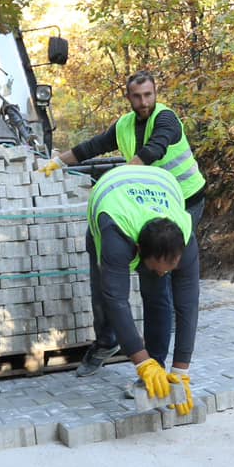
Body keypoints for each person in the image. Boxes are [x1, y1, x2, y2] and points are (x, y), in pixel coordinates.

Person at [77, 164, 199, 417]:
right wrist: (141, 362)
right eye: (157, 267)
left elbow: (188, 304)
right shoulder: (114, 235)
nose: (163, 272)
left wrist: (181, 371)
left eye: (169, 268)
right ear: (139, 252)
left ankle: (158, 368)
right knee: (103, 293)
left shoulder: (185, 239)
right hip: (113, 197)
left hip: (159, 183)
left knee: (157, 294)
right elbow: (116, 299)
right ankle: (108, 344)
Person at [45, 69, 206, 231]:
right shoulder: (123, 125)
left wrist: (116, 181)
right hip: (156, 198)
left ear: (155, 93)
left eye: (148, 95)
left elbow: (153, 151)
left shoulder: (165, 118)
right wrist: (56, 162)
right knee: (154, 250)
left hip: (186, 198)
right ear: (128, 97)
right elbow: (91, 147)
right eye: (137, 96)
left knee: (175, 250)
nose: (144, 102)